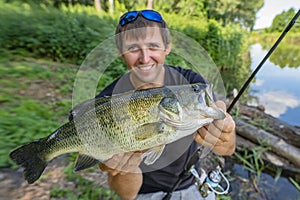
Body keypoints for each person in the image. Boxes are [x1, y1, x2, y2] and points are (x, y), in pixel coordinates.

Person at [96, 10, 236, 200]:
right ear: (120, 52)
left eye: (153, 46)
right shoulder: (107, 102)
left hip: (192, 182)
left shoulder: (188, 82)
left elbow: (227, 149)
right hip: (146, 193)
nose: (145, 58)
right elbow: (126, 195)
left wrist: (224, 131)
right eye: (133, 49)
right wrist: (122, 169)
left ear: (167, 47)